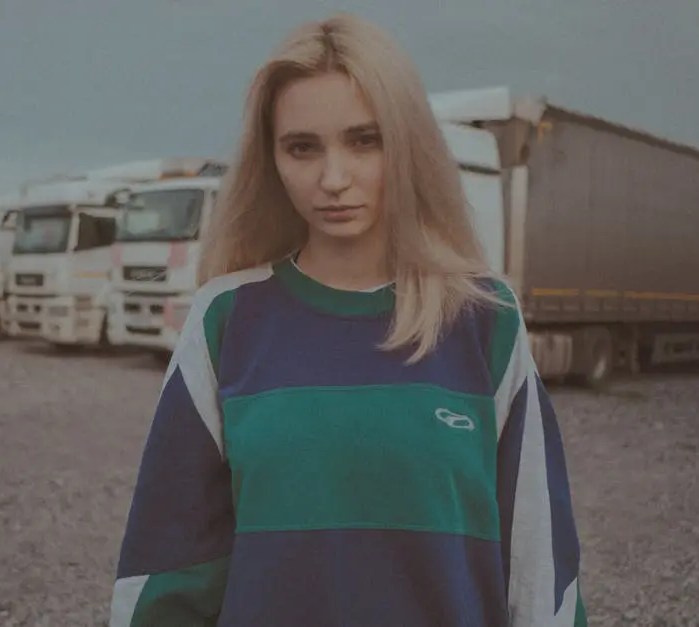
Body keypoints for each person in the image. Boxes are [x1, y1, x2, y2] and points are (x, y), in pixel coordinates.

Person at [109, 12, 588, 627]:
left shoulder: (483, 321)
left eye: (365, 140)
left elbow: (540, 569)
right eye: (302, 147)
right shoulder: (226, 319)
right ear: (272, 158)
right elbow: (167, 561)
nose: (333, 179)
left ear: (407, 142)